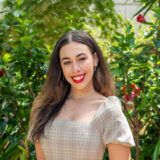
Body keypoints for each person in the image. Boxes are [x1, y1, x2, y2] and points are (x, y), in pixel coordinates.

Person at [28, 30, 135, 160]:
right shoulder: (45, 107)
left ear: (95, 59)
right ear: (60, 66)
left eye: (81, 59)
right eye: (67, 62)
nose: (75, 69)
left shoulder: (108, 110)